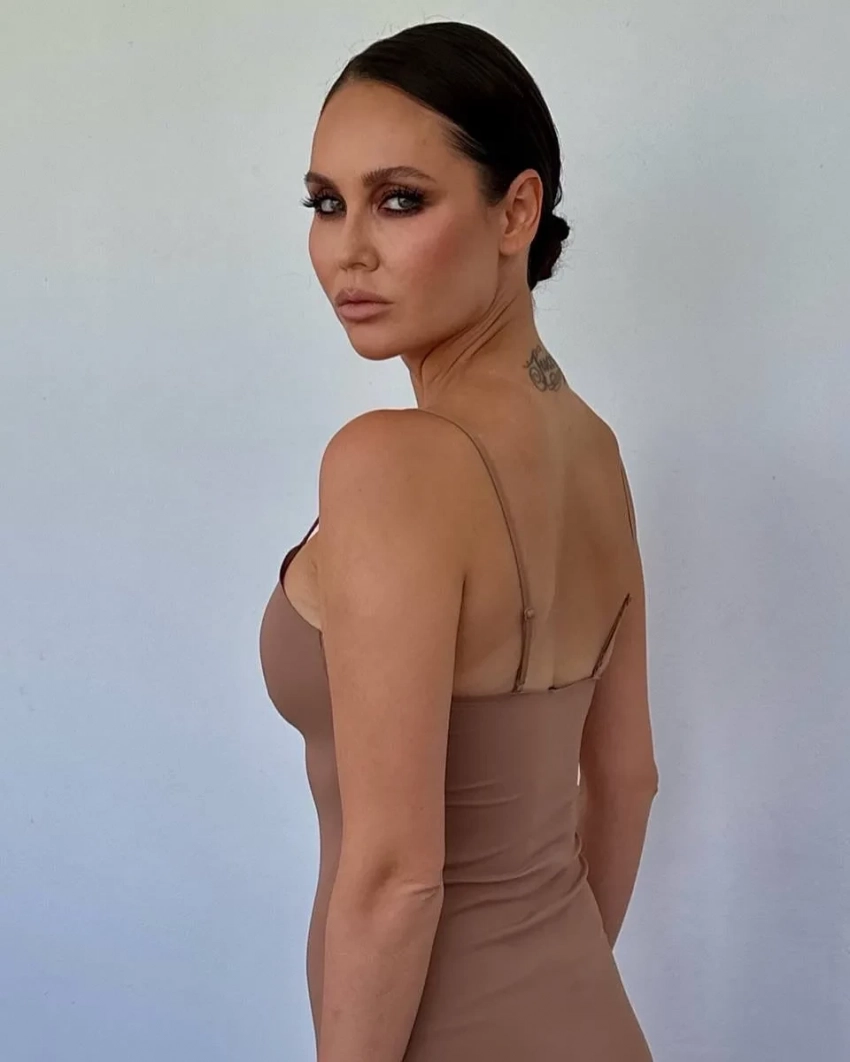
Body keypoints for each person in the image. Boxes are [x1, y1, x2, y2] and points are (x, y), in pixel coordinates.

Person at [259, 20, 658, 1062]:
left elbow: (396, 878)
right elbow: (628, 782)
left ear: (515, 210)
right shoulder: (594, 451)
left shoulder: (389, 465)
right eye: (325, 203)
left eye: (399, 200)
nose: (348, 249)